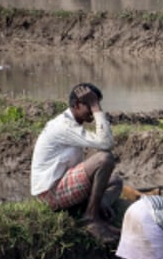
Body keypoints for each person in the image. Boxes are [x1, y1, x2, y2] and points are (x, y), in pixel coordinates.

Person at [30, 82, 123, 243]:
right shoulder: (63, 126)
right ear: (77, 105)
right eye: (91, 105)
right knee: (105, 159)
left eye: (97, 104)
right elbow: (106, 143)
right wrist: (96, 107)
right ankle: (91, 218)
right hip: (50, 193)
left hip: (62, 185)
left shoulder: (71, 123)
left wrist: (93, 105)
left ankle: (95, 209)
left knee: (116, 181)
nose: (95, 111)